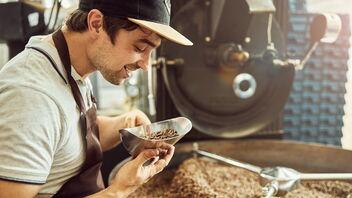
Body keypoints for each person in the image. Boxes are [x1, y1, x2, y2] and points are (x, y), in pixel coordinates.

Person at [0, 0, 192, 197]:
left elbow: (64, 134)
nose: (145, 64)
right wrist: (119, 190)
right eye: (140, 47)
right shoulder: (31, 97)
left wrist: (124, 125)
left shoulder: (70, 67)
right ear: (96, 23)